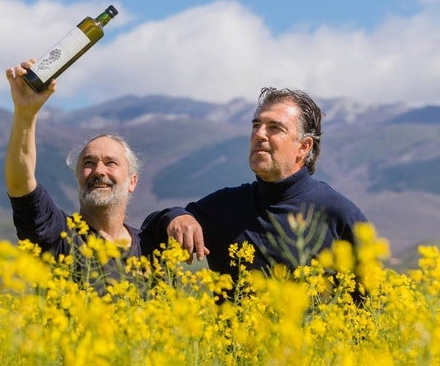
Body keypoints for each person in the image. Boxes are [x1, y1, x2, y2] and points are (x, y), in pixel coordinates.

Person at [141, 87, 367, 282]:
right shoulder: (225, 206)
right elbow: (144, 238)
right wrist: (175, 216)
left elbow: (370, 308)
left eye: (274, 127)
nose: (259, 134)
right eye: (256, 125)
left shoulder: (339, 214)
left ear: (304, 146)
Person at [4, 59, 157, 292]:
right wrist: (25, 113)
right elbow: (20, 183)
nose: (98, 171)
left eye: (110, 163)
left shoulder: (152, 249)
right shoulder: (58, 234)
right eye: (88, 163)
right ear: (78, 177)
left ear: (132, 181)